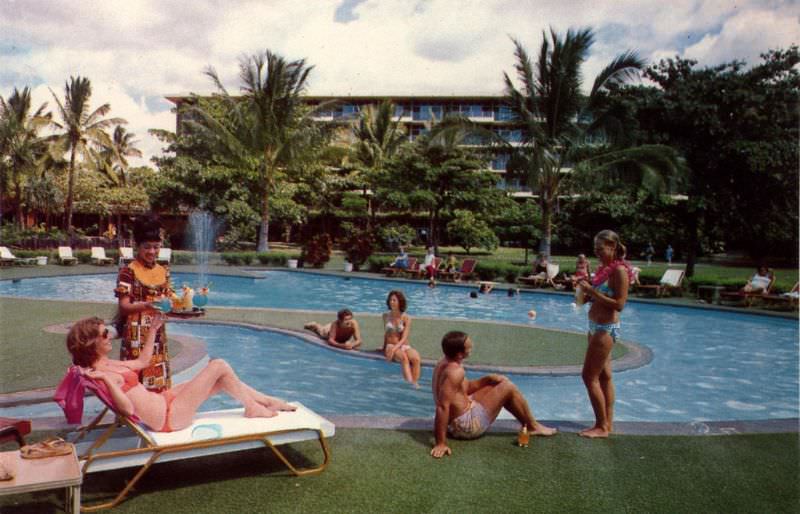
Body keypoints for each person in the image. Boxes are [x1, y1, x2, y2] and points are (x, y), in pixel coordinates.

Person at [65, 315, 295, 433]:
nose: (110, 335)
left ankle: (264, 401)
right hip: (169, 418)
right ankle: (255, 406)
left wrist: (153, 330)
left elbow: (143, 361)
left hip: (166, 401)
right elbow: (125, 410)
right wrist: (106, 380)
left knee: (221, 376)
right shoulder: (105, 374)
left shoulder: (107, 363)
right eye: (105, 333)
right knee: (219, 365)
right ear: (92, 343)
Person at [430, 331, 556, 458]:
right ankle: (532, 426)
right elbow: (442, 407)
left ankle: (529, 424)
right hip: (465, 427)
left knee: (498, 384)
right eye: (469, 347)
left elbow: (465, 389)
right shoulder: (455, 372)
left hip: (456, 420)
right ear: (459, 354)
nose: (471, 348)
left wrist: (488, 379)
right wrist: (440, 443)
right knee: (508, 387)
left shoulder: (444, 362)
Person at [575, 230, 634, 439]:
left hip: (605, 329)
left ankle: (600, 426)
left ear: (613, 247)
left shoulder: (619, 271)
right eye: (595, 249)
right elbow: (600, 297)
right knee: (605, 375)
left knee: (589, 376)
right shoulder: (605, 269)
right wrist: (587, 291)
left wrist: (592, 292)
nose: (597, 253)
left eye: (600, 249)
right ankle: (607, 423)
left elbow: (620, 304)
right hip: (595, 326)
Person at [113, 214, 173, 392]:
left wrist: (180, 306)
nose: (152, 252)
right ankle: (134, 415)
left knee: (158, 375)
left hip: (158, 332)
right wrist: (148, 305)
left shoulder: (164, 270)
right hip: (135, 334)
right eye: (147, 247)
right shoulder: (128, 272)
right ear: (137, 246)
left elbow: (169, 300)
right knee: (136, 380)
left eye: (156, 247)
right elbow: (124, 307)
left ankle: (158, 413)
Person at [382, 290, 421, 388]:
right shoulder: (385, 316)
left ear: (400, 301)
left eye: (394, 300)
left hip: (404, 345)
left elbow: (404, 338)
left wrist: (395, 349)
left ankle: (415, 383)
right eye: (390, 300)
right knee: (404, 358)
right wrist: (384, 348)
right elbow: (386, 334)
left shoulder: (406, 318)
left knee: (416, 358)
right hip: (390, 345)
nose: (391, 302)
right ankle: (408, 382)